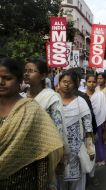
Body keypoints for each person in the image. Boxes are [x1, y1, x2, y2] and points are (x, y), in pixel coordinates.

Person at [0, 57, 63, 189]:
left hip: (23, 180)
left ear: (19, 80)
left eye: (7, 78)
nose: (1, 82)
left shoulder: (31, 110)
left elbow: (43, 149)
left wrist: (43, 182)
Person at [57, 70, 94, 190]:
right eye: (64, 81)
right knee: (58, 183)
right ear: (59, 83)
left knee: (76, 184)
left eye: (70, 82)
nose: (67, 85)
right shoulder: (53, 101)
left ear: (75, 85)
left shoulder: (80, 102)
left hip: (76, 153)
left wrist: (90, 148)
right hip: (57, 152)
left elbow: (88, 127)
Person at [23, 57, 65, 137]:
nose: (26, 74)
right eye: (25, 70)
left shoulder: (51, 98)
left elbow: (58, 128)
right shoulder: (21, 97)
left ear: (43, 76)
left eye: (31, 71)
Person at [85, 74, 106, 167]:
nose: (91, 84)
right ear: (85, 82)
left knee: (98, 143)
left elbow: (104, 110)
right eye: (89, 82)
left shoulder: (100, 95)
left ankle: (98, 160)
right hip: (85, 125)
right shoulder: (81, 94)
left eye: (94, 82)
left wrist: (104, 129)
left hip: (98, 124)